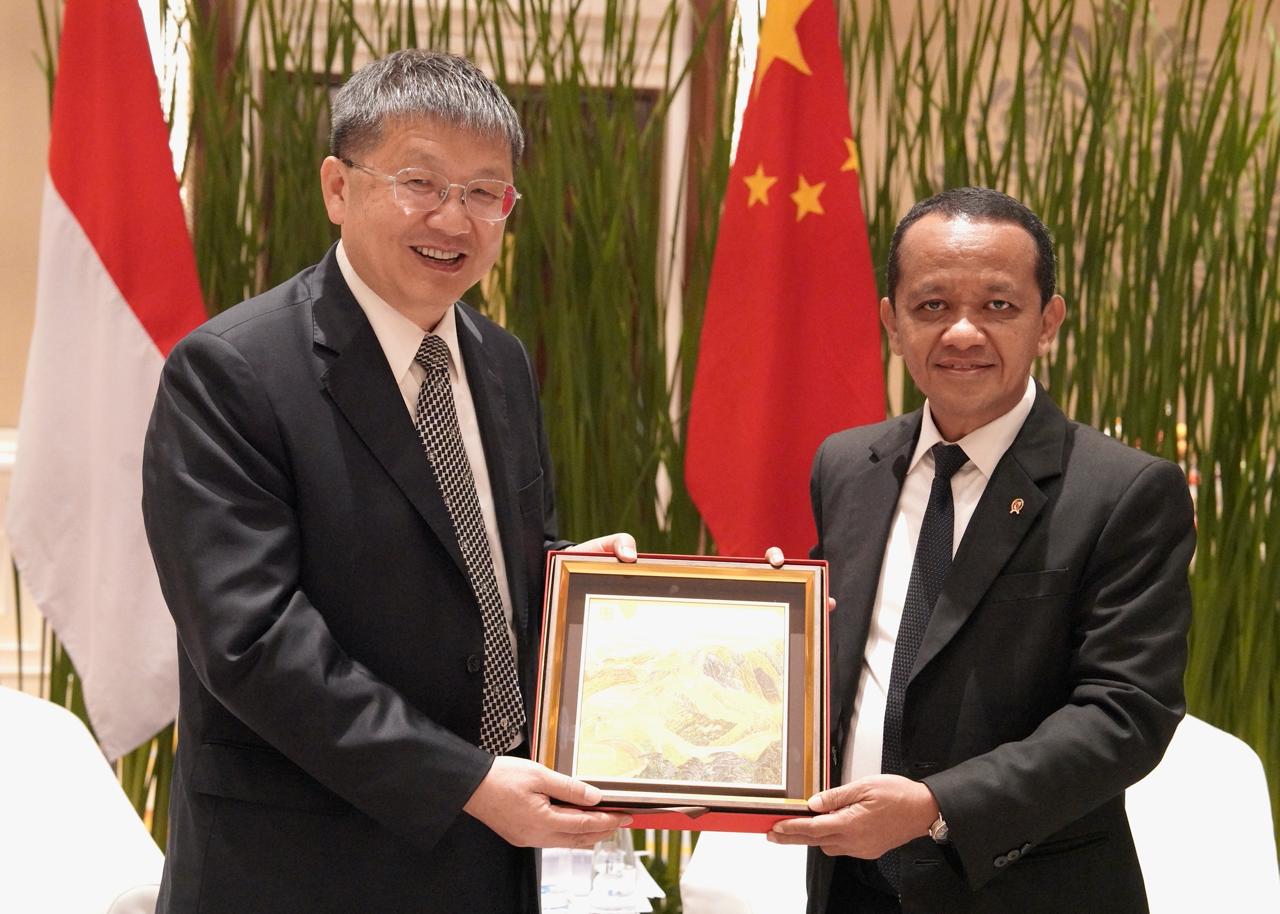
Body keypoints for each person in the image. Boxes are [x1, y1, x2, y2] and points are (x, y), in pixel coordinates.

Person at [142, 49, 636, 913]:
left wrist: (567, 578)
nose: (454, 217)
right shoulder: (231, 372)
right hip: (304, 864)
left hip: (487, 862)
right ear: (338, 187)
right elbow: (252, 642)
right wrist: (465, 781)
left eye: (485, 192)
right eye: (420, 182)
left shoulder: (499, 361)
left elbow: (473, 559)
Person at [770, 187, 1195, 913]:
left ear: (1047, 321)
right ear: (892, 323)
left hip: (1025, 892)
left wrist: (937, 806)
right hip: (850, 887)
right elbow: (835, 660)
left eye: (998, 306)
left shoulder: (1124, 491)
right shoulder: (845, 466)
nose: (962, 333)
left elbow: (1126, 713)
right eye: (932, 305)